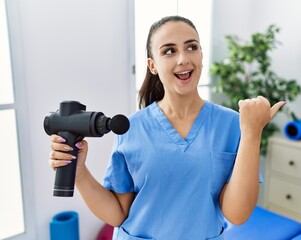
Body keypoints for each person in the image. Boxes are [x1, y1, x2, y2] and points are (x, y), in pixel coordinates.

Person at [48, 15, 285, 239]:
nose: (183, 58)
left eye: (192, 47)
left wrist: (253, 132)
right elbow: (118, 214)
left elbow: (237, 214)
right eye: (169, 51)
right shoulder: (131, 128)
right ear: (153, 65)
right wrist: (79, 173)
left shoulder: (232, 124)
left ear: (201, 55)